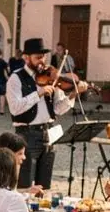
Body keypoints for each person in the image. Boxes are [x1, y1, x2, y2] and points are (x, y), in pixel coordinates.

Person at [7, 37, 87, 190]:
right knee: (26, 185)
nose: (42, 61)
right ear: (26, 57)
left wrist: (72, 96)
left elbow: (57, 109)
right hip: (26, 135)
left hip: (49, 134)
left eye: (43, 57)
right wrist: (38, 93)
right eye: (37, 57)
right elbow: (15, 108)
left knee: (45, 186)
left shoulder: (51, 76)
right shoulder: (15, 78)